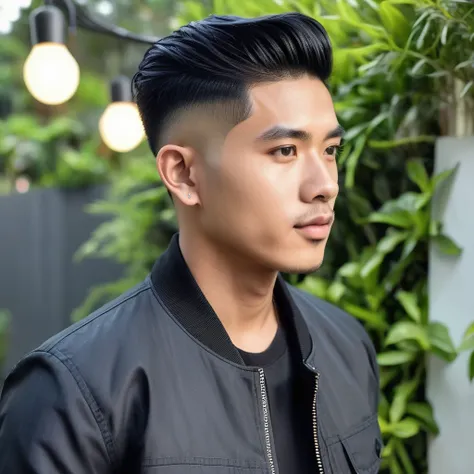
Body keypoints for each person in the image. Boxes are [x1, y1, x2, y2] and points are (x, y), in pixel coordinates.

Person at [0, 12, 382, 474]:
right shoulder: (73, 395)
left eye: (330, 150)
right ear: (183, 174)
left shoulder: (346, 346)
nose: (325, 184)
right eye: (285, 151)